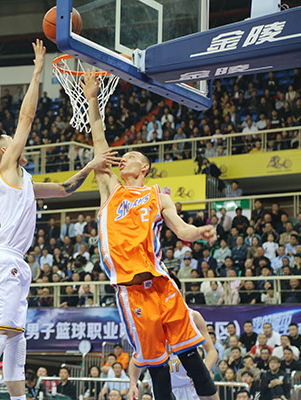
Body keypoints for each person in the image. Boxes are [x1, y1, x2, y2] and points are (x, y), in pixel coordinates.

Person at [0, 41, 119, 400]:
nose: (18, 142)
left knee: (16, 340)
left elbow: (65, 189)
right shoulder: (4, 169)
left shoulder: (23, 182)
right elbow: (26, 118)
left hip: (13, 262)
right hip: (2, 260)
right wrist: (38, 71)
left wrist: (90, 166)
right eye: (12, 141)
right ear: (4, 150)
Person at [82, 70, 218, 400]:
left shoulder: (158, 195)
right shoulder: (110, 189)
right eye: (122, 157)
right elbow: (99, 141)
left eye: (130, 157)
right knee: (157, 369)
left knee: (192, 359)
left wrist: (199, 232)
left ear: (143, 168)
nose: (123, 159)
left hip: (161, 283)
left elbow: (181, 229)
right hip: (131, 291)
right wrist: (91, 99)